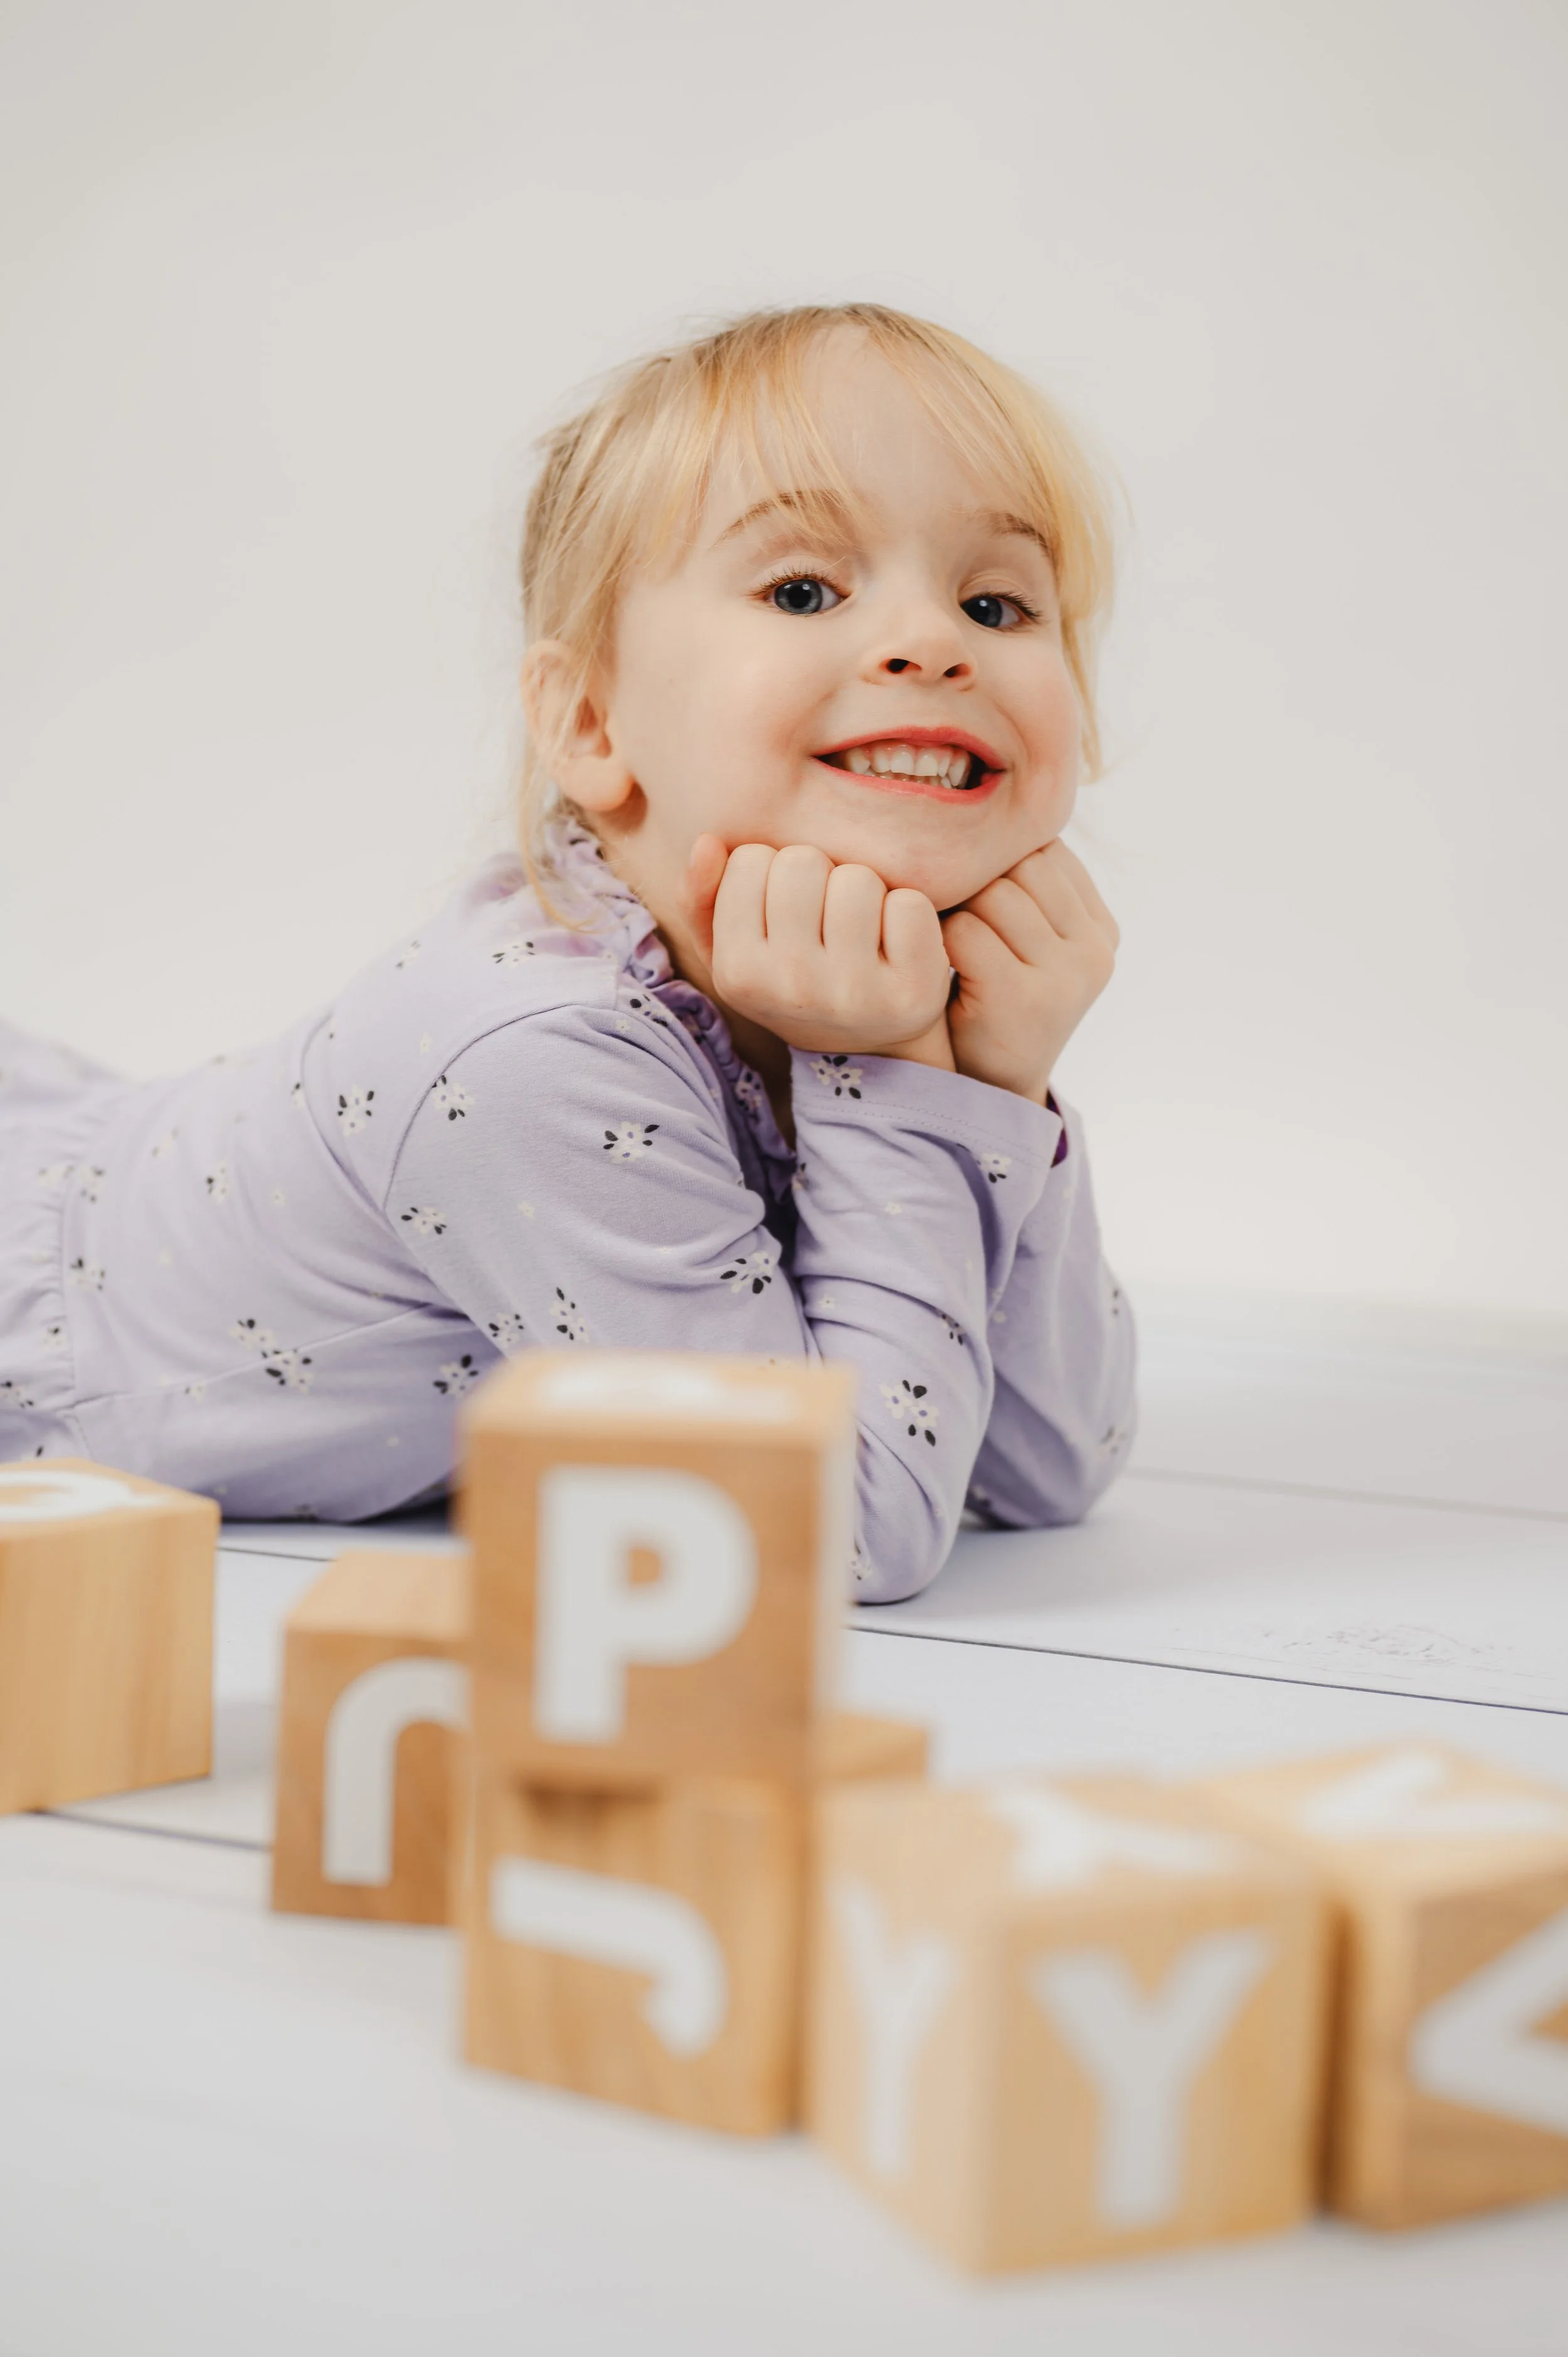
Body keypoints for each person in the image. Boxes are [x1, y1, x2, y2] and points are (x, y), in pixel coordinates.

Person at [0, 303, 1135, 1603]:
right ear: (591, 720)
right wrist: (891, 1076)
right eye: (803, 590)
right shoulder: (531, 1056)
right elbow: (832, 1535)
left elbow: (1050, 1469)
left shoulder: (878, 1004)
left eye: (996, 602)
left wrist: (998, 1086)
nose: (933, 642)